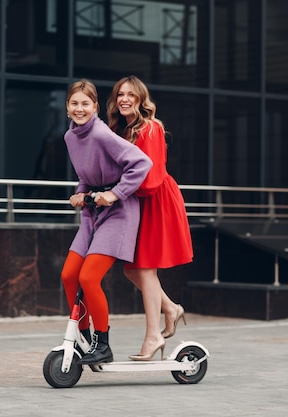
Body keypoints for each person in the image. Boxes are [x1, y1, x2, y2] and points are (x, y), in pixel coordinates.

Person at [60, 79, 152, 365]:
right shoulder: (70, 137)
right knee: (69, 275)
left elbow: (141, 163)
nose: (80, 109)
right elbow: (87, 174)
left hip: (119, 213)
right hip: (92, 213)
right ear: (67, 107)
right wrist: (79, 193)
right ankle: (85, 338)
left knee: (89, 278)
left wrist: (115, 193)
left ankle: (103, 344)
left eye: (85, 104)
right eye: (74, 103)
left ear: (95, 107)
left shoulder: (101, 133)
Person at [106, 75, 194, 361]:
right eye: (120, 94)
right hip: (139, 202)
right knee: (132, 269)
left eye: (131, 94)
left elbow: (151, 178)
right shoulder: (123, 130)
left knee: (144, 269)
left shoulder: (151, 128)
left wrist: (118, 192)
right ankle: (170, 308)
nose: (124, 99)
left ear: (141, 99)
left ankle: (153, 335)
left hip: (156, 201)